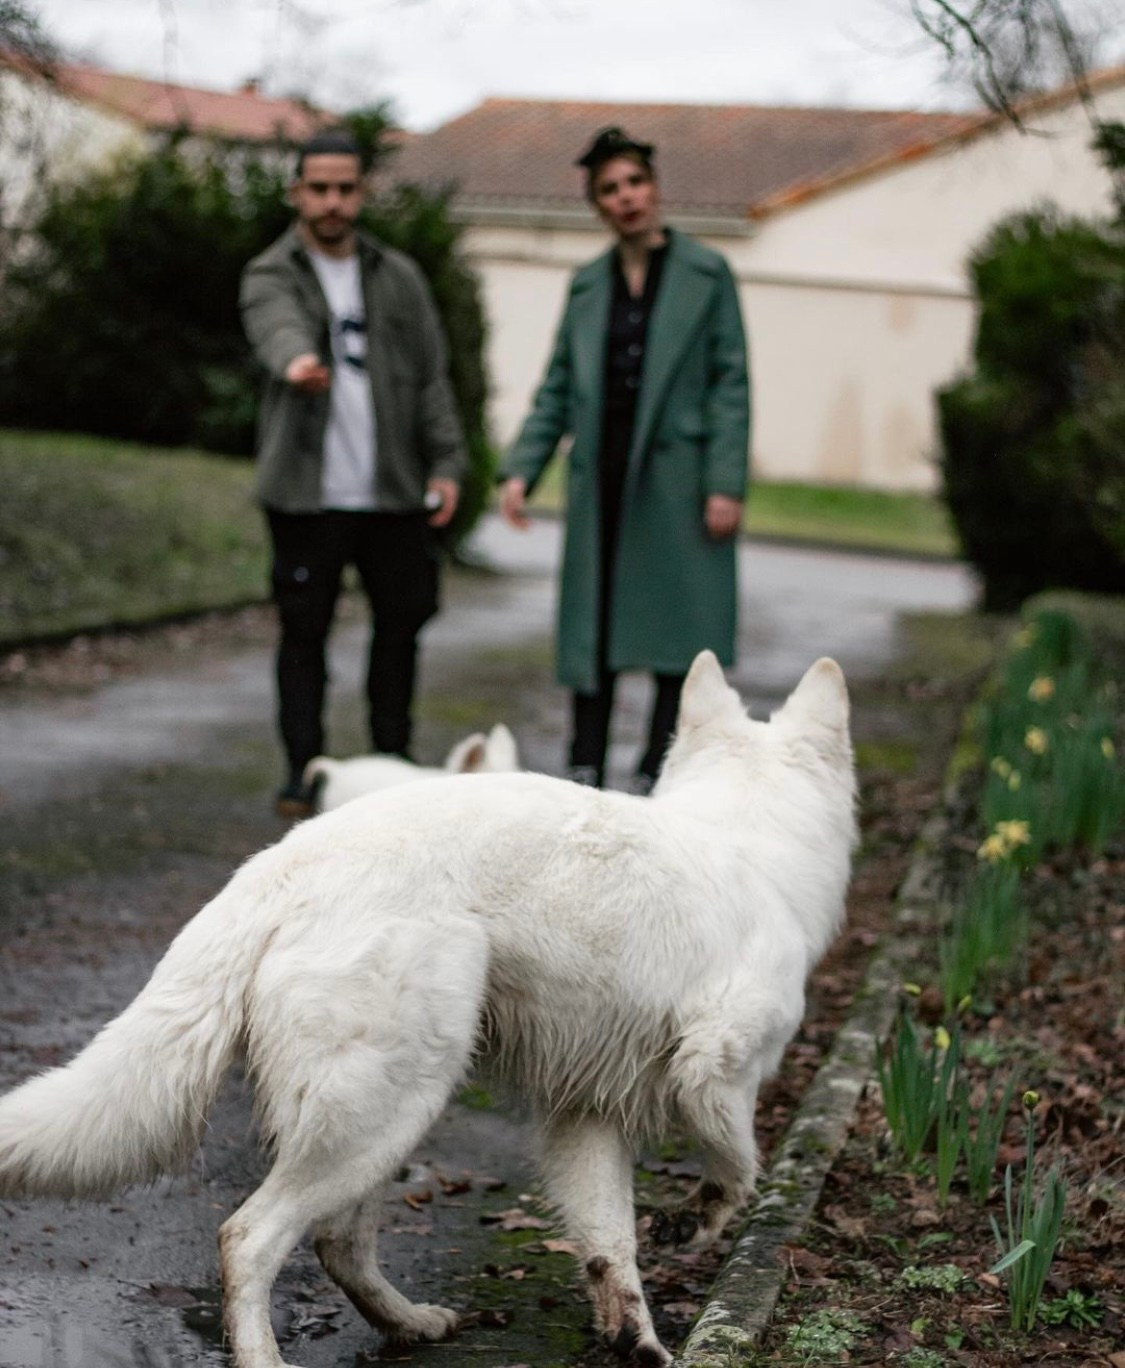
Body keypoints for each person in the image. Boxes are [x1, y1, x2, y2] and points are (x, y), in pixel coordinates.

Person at [498, 127, 750, 793]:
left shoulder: (706, 274)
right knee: (594, 626)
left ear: (654, 187)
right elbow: (556, 385)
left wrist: (725, 482)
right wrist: (521, 468)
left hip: (679, 478)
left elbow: (731, 384)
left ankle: (653, 772)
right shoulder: (587, 287)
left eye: (635, 182)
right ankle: (583, 767)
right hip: (600, 477)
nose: (626, 197)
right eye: (610, 189)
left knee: (677, 628)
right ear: (597, 205)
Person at [241, 129, 467, 818]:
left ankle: (391, 768)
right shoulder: (270, 272)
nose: (333, 201)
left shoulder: (396, 276)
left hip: (392, 492)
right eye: (319, 188)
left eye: (345, 188)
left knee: (400, 628)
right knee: (304, 633)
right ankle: (303, 774)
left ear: (361, 192)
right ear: (296, 192)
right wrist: (296, 363)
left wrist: (448, 461)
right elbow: (273, 325)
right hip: (306, 496)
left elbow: (431, 377)